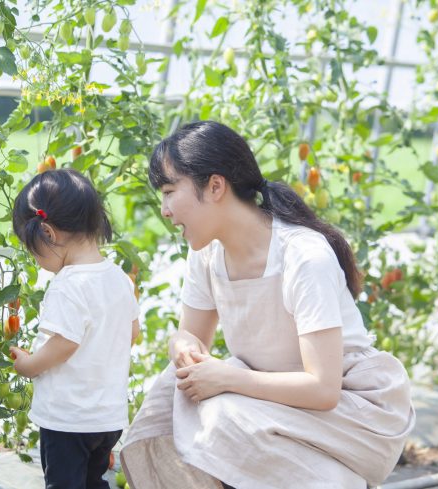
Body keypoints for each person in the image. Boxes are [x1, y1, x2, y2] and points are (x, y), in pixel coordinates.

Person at [120, 121, 415, 489]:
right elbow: (190, 335)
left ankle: (334, 480)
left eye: (168, 191)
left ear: (214, 186)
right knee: (173, 391)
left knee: (221, 415)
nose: (164, 210)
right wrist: (183, 347)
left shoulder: (302, 257)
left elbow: (323, 389)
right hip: (272, 402)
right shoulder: (208, 256)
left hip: (352, 412)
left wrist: (229, 377)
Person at [9, 168, 140, 489]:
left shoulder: (68, 284)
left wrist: (28, 365)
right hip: (107, 418)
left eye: (30, 247)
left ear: (48, 234)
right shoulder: (119, 278)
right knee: (94, 480)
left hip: (68, 420)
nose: (34, 257)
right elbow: (133, 332)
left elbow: (64, 343)